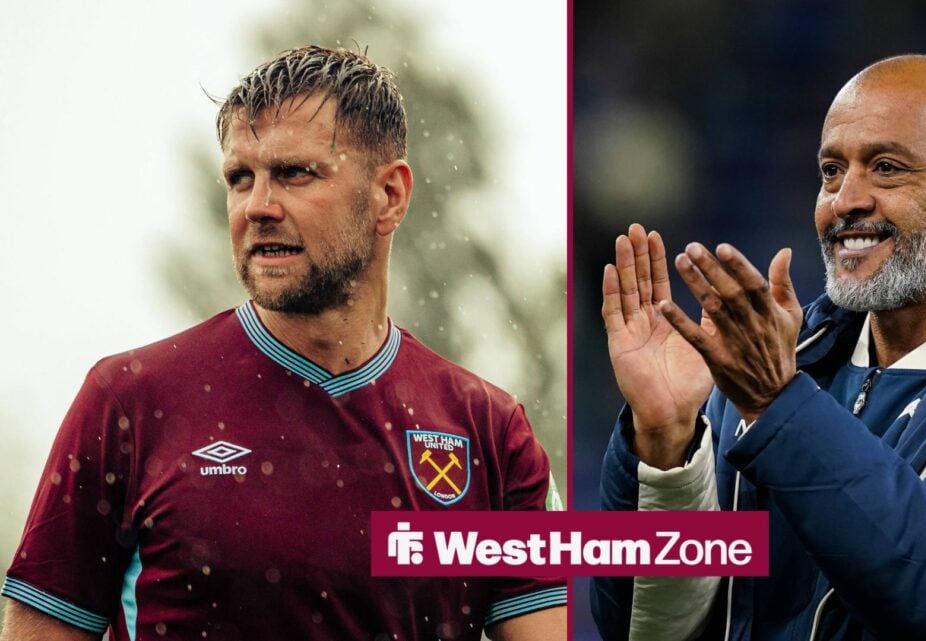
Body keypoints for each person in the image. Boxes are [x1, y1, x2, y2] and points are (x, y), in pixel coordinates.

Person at [1, 46, 566, 641]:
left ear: (390, 196)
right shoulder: (129, 403)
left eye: (294, 173)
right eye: (240, 178)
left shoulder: (489, 432)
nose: (258, 207)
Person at [592, 54, 926, 640]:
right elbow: (645, 629)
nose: (844, 200)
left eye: (886, 167)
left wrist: (779, 404)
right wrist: (664, 440)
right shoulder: (774, 367)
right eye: (831, 171)